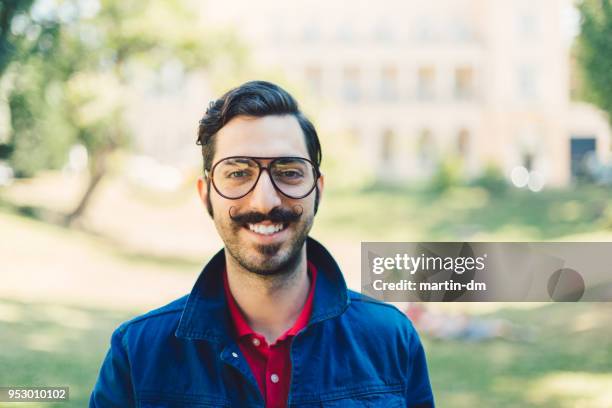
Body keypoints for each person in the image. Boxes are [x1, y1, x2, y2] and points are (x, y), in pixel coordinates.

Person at [89, 80, 434, 407]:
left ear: (318, 190)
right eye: (238, 173)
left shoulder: (392, 339)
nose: (265, 201)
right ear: (205, 194)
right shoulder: (137, 354)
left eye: (289, 171)